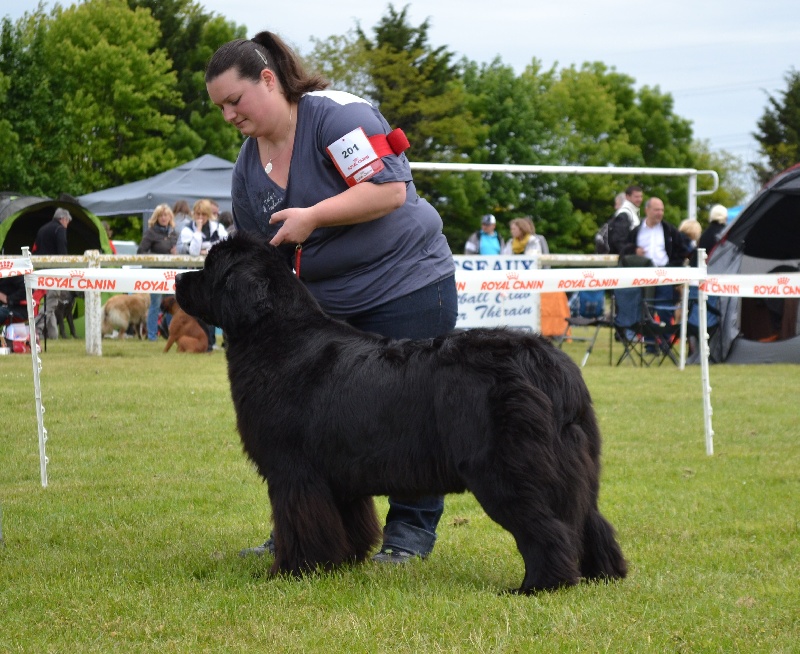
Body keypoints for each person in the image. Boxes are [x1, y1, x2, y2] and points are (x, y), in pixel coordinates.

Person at [205, 30, 457, 563]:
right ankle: (308, 532)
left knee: (416, 413)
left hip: (405, 283)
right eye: (220, 107)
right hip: (325, 305)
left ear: (268, 80)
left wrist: (313, 215)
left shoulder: (338, 118)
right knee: (324, 427)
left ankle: (409, 538)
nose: (229, 115)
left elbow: (389, 188)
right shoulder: (247, 167)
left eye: (235, 100)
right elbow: (261, 252)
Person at [137, 204, 178, 341]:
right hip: (155, 272)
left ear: (170, 217)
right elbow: (141, 251)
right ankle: (152, 335)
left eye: (166, 215)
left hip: (170, 272)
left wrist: (174, 254)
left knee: (172, 303)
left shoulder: (173, 233)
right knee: (155, 303)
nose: (164, 218)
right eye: (161, 215)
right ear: (156, 217)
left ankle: (173, 333)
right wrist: (155, 257)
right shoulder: (151, 233)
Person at [32, 208, 72, 339]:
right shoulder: (59, 229)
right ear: (63, 219)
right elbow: (62, 251)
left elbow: (35, 250)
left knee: (49, 302)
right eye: (68, 221)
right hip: (55, 271)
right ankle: (35, 329)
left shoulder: (42, 229)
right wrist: (66, 269)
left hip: (41, 270)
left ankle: (52, 334)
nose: (67, 225)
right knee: (52, 302)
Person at [606, 185, 643, 255]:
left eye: (641, 196)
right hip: (627, 259)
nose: (640, 199)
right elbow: (619, 241)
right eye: (636, 197)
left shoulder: (632, 213)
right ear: (627, 197)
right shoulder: (624, 214)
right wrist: (632, 253)